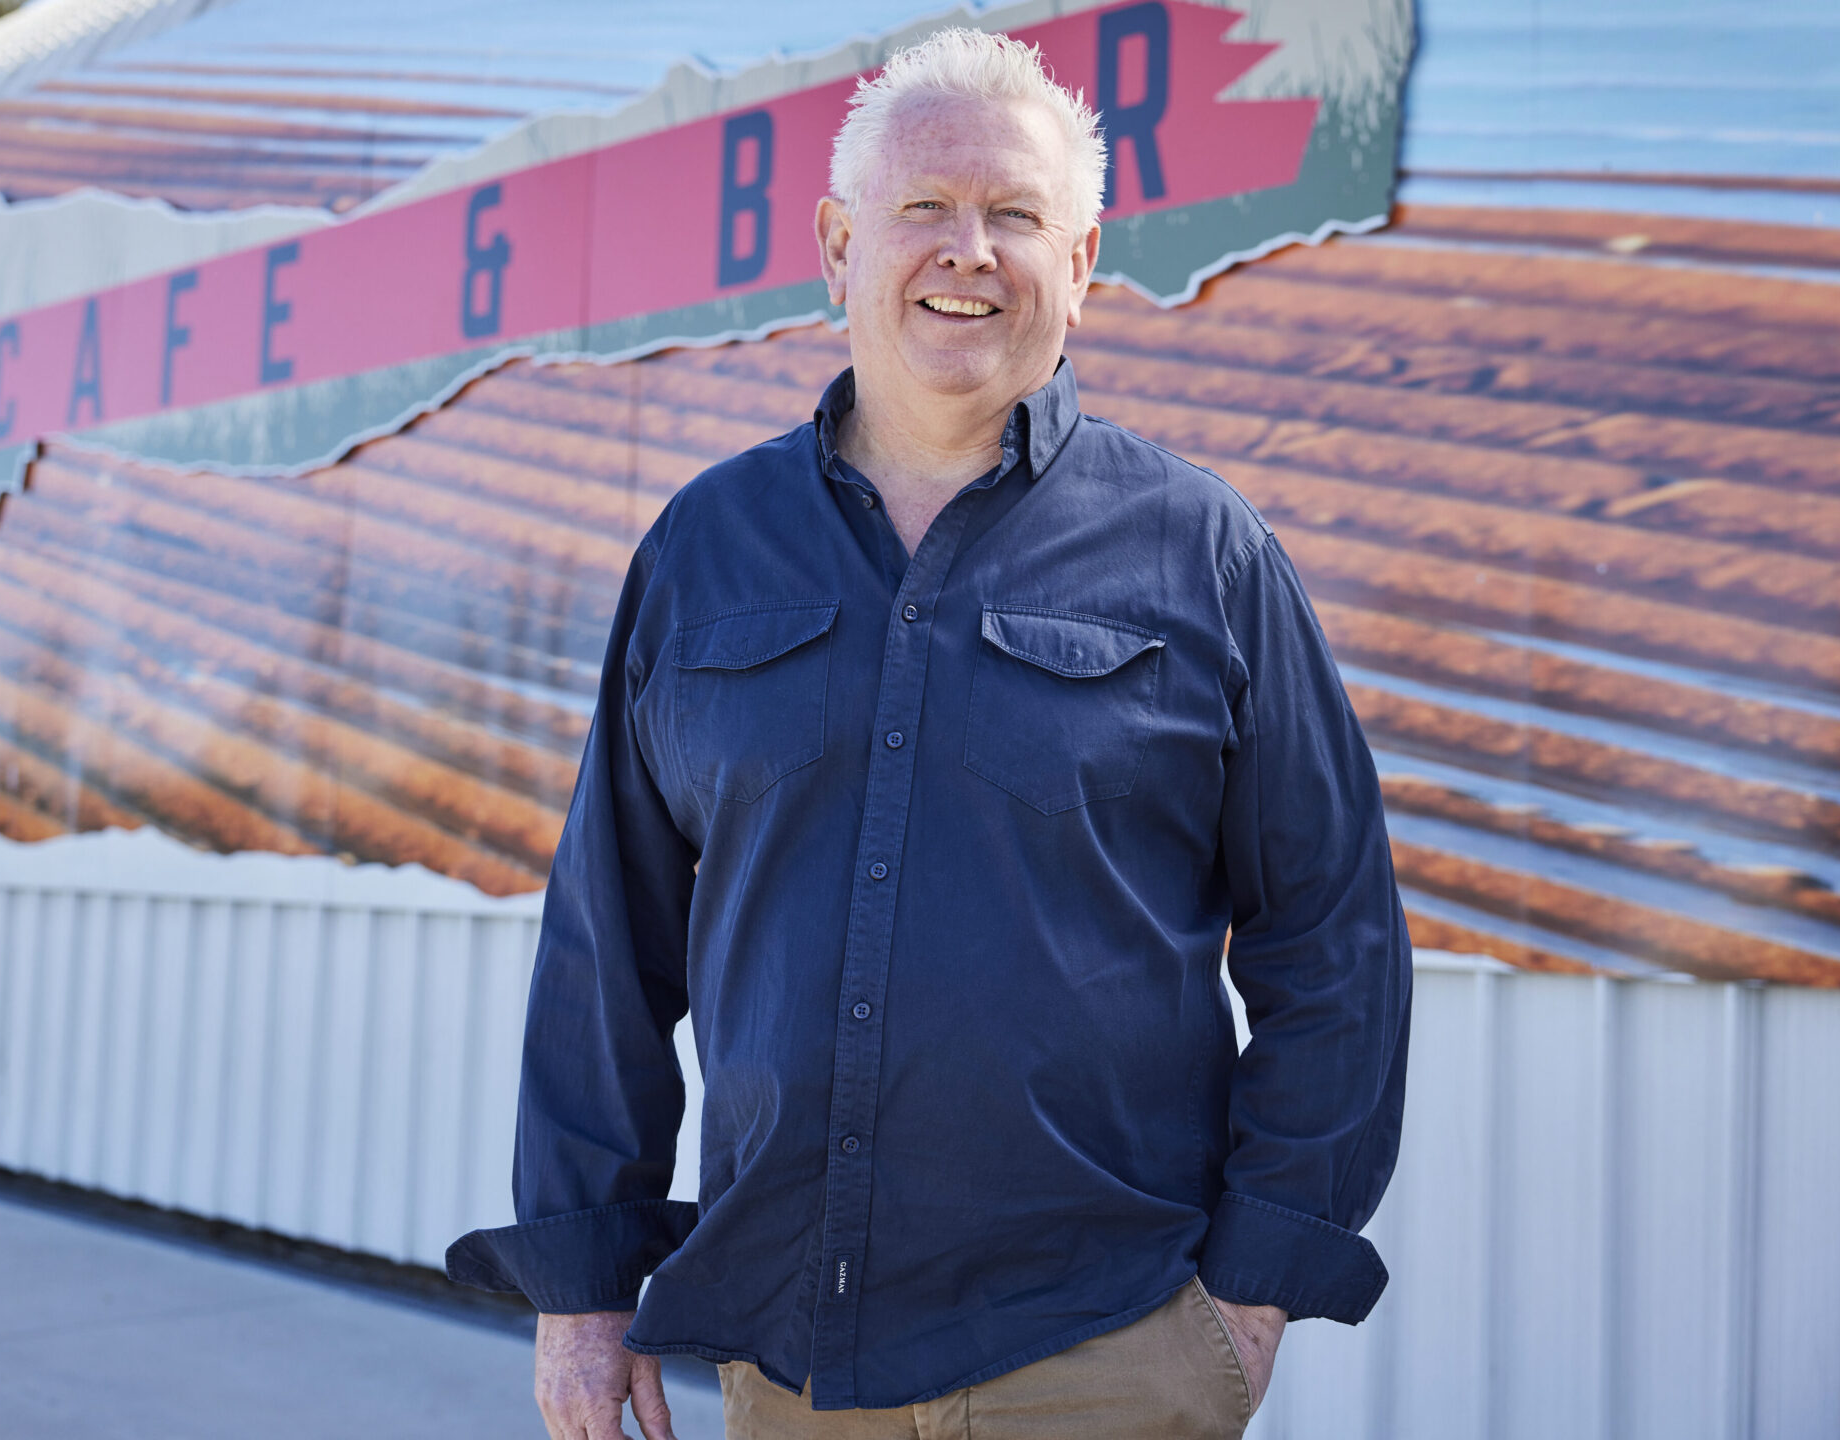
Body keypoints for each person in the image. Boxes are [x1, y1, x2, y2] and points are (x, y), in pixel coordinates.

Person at [446, 28, 1410, 1440]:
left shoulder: (1203, 553)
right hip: (800, 1365)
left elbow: (1334, 938)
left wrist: (1249, 1293)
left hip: (1107, 1344)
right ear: (839, 246)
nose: (970, 251)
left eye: (1017, 216)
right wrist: (584, 1289)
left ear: (1079, 268)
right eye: (924, 210)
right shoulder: (706, 550)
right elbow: (608, 940)